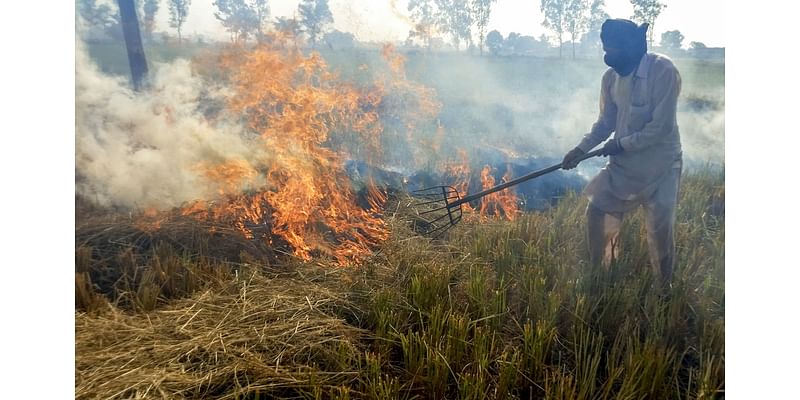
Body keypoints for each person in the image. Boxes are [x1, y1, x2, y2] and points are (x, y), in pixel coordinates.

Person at [561, 18, 683, 286]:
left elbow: (660, 127)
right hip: (625, 166)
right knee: (598, 212)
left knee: (659, 230)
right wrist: (580, 149)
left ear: (632, 47)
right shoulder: (610, 79)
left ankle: (664, 289)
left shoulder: (663, 71)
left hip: (661, 166)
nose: (607, 55)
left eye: (612, 49)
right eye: (606, 49)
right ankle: (602, 275)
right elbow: (606, 123)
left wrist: (621, 144)